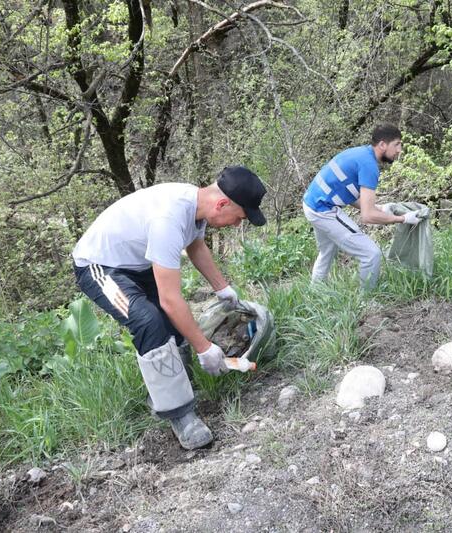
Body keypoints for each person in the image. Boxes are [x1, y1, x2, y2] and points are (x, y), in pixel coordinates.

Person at [72, 166, 267, 450]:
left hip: (137, 263)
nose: (238, 224)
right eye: (240, 217)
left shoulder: (197, 206)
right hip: (100, 267)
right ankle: (180, 415)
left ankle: (178, 387)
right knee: (149, 321)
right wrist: (204, 348)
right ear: (222, 204)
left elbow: (195, 246)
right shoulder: (168, 219)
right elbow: (170, 300)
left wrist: (222, 287)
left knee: (172, 321)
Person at [302, 125, 419, 289]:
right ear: (383, 145)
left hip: (311, 203)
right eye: (397, 144)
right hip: (322, 210)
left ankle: (315, 292)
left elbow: (347, 193)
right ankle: (366, 300)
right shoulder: (369, 166)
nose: (400, 150)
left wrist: (380, 208)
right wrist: (403, 218)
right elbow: (367, 216)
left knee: (327, 252)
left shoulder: (360, 154)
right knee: (371, 254)